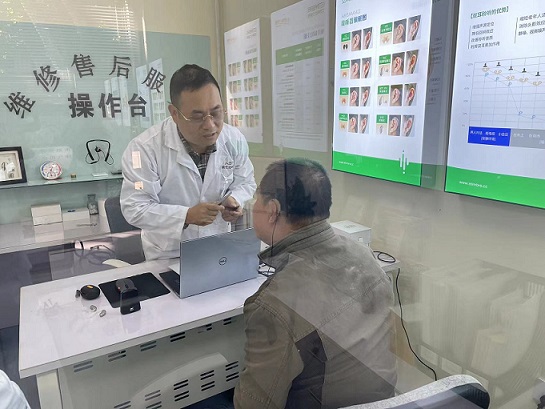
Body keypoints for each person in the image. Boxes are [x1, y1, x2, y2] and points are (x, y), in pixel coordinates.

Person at [234, 158, 397, 409]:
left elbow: (254, 406)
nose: (254, 207)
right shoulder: (364, 256)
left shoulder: (273, 304)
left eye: (257, 199)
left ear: (272, 210)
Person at [120, 64, 256, 260]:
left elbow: (246, 182)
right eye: (197, 117)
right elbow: (135, 208)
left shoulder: (233, 139)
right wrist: (186, 216)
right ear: (174, 113)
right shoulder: (143, 149)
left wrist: (235, 199)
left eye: (216, 113)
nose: (210, 125)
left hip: (218, 248)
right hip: (169, 255)